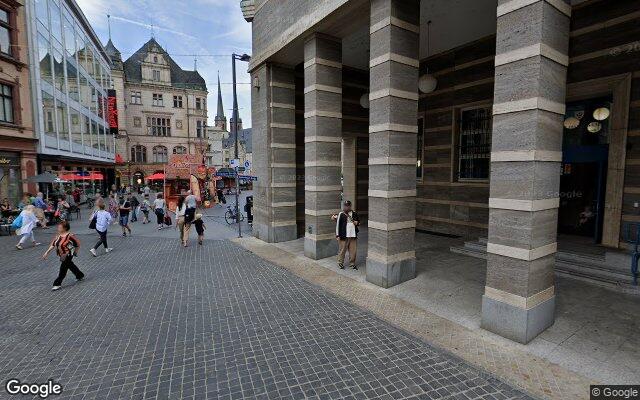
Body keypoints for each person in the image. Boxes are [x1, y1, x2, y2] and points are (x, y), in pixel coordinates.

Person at [42, 221, 84, 291]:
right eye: (58, 227)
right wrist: (47, 252)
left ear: (65, 228)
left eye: (60, 227)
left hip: (68, 254)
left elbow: (78, 244)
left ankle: (57, 283)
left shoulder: (70, 236)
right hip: (61, 254)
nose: (58, 228)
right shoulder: (58, 236)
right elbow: (53, 244)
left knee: (63, 268)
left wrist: (75, 252)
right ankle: (80, 275)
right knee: (70, 265)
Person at [332, 200, 360, 270]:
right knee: (342, 250)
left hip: (353, 235)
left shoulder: (354, 213)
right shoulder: (341, 214)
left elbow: (359, 222)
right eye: (345, 206)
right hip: (343, 235)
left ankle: (352, 263)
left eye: (348, 206)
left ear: (350, 206)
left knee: (353, 251)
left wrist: (356, 223)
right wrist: (337, 235)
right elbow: (338, 225)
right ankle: (340, 263)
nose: (346, 207)